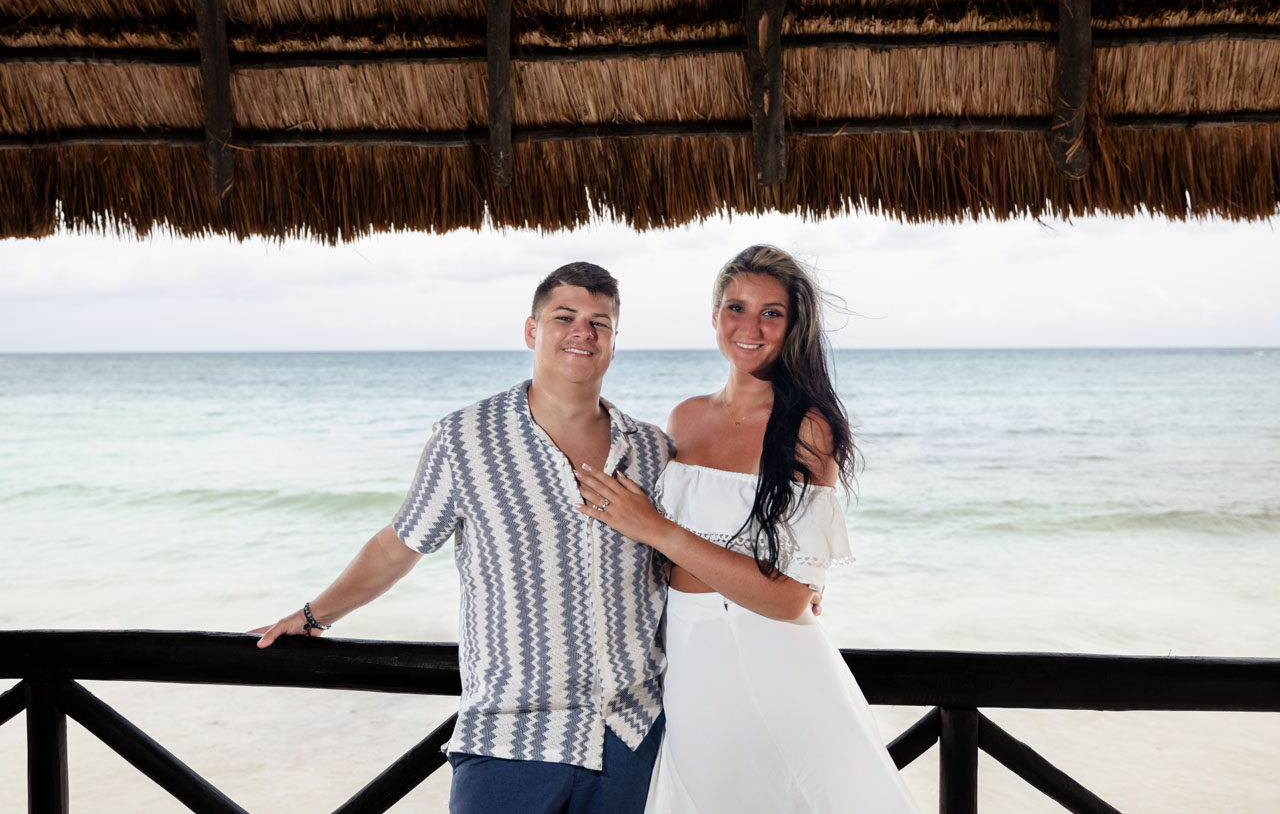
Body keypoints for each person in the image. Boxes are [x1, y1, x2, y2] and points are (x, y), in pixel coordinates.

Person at [253, 262, 674, 814]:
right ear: (532, 330)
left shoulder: (652, 450)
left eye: (600, 322)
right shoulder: (466, 438)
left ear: (614, 343)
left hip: (630, 736)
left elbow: (681, 565)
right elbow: (398, 546)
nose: (583, 332)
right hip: (509, 739)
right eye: (564, 317)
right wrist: (315, 615)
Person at [574, 245, 921, 813]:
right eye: (736, 308)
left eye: (771, 313)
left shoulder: (808, 429)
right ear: (715, 316)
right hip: (687, 652)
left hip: (773, 652)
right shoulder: (685, 418)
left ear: (794, 327)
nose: (751, 328)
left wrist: (658, 531)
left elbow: (790, 600)